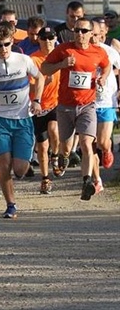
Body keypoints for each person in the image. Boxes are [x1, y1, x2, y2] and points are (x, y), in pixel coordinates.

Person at [0, 25, 45, 219]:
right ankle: (10, 205)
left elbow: (40, 78)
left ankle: (22, 161)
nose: (3, 49)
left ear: (12, 42)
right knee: (4, 164)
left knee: (20, 169)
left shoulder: (24, 60)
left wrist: (37, 100)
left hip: (22, 120)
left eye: (7, 44)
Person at [41, 18, 110, 201]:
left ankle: (87, 181)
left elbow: (107, 65)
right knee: (65, 147)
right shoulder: (64, 49)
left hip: (88, 105)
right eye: (77, 30)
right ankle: (63, 157)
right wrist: (61, 65)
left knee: (87, 143)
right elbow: (44, 68)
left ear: (90, 33)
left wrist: (103, 77)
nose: (80, 34)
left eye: (84, 31)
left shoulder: (98, 51)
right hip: (65, 107)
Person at [29, 27, 62, 194]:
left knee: (54, 129)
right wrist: (43, 83)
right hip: (38, 105)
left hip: (56, 103)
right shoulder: (33, 59)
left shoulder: (60, 55)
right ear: (39, 40)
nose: (48, 41)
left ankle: (55, 155)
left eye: (51, 38)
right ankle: (45, 178)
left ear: (55, 38)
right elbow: (29, 84)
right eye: (44, 38)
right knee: (41, 146)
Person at [90, 20, 119, 178]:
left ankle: (107, 150)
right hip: (86, 102)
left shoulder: (109, 51)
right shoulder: (80, 51)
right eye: (92, 34)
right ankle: (95, 179)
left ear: (102, 34)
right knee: (89, 143)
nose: (94, 38)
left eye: (97, 34)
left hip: (106, 101)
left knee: (102, 142)